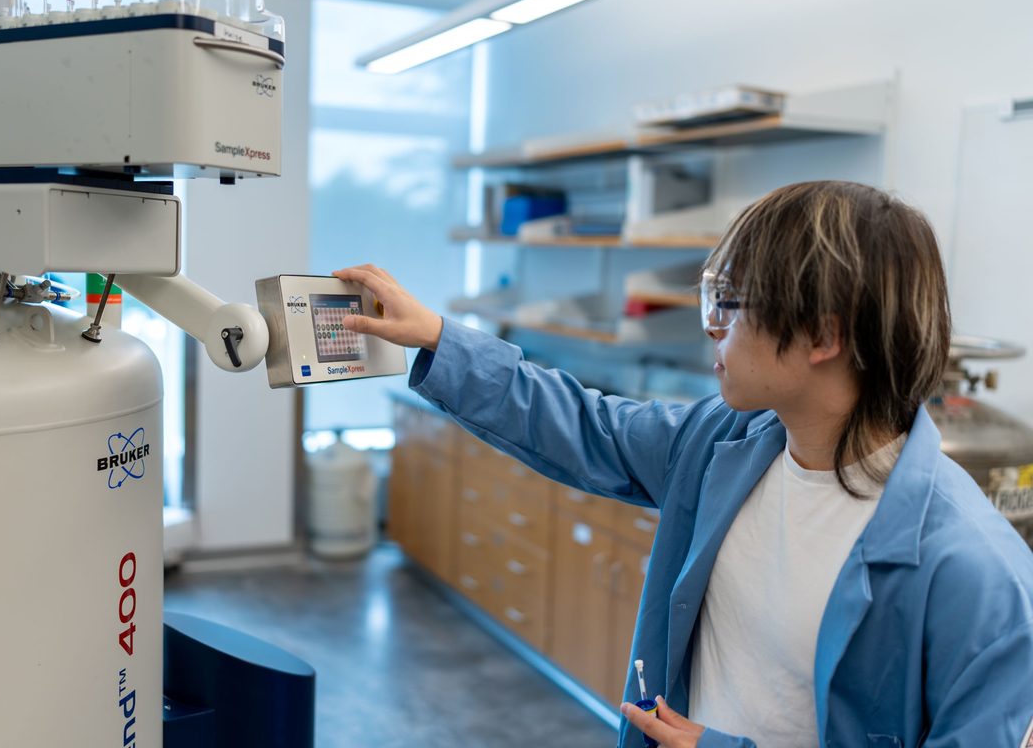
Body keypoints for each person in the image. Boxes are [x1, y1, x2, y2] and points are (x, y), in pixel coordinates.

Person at [334, 180, 1033, 748]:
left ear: (823, 335)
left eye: (731, 301)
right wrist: (437, 338)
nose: (712, 324)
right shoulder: (727, 440)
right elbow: (585, 424)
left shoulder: (976, 574)